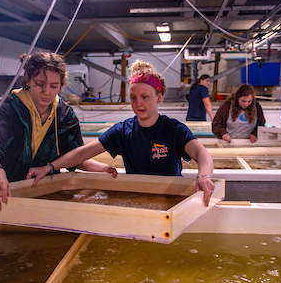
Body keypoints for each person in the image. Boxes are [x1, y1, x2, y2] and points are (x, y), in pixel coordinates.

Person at [27, 60, 216, 206]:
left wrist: (204, 176)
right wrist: (49, 167)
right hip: (135, 199)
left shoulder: (174, 129)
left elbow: (202, 154)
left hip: (171, 200)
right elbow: (82, 153)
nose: (138, 103)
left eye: (144, 97)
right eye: (133, 98)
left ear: (159, 97)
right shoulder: (122, 131)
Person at [0, 51, 115, 209]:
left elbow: (75, 155)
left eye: (54, 86)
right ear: (28, 79)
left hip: (50, 193)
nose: (47, 91)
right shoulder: (11, 107)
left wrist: (103, 169)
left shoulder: (64, 114)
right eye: (39, 84)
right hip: (10, 193)